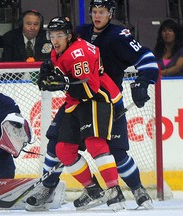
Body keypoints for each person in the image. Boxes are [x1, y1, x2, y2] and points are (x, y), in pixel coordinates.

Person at [26, 0, 159, 211]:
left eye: (102, 12)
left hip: (104, 99)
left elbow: (147, 58)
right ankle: (49, 188)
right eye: (94, 11)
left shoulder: (119, 35)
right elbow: (63, 55)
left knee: (115, 149)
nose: (97, 16)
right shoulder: (80, 32)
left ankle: (137, 189)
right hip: (76, 99)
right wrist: (51, 64)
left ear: (110, 13)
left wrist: (144, 81)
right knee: (56, 143)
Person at [27, 16, 127, 212]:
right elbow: (66, 77)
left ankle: (114, 190)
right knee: (63, 149)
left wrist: (62, 83)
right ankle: (92, 189)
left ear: (69, 35)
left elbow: (90, 89)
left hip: (97, 98)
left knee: (94, 142)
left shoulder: (79, 54)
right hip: (75, 102)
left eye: (59, 35)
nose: (55, 40)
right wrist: (49, 76)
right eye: (52, 35)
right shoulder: (60, 50)